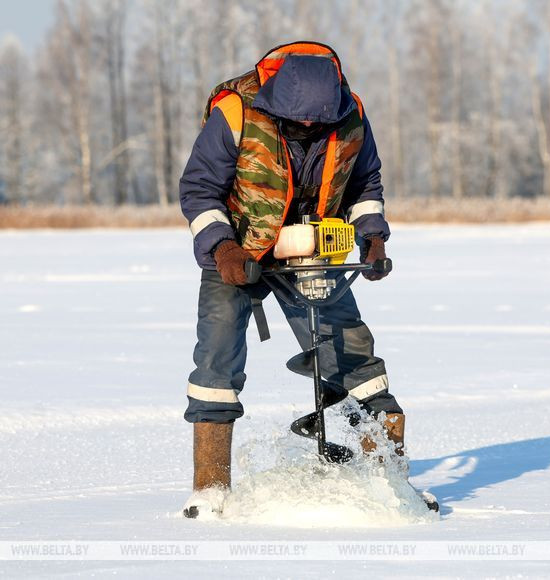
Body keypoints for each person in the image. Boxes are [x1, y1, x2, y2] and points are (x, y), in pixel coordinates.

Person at [178, 42, 428, 518]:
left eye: (320, 123)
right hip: (239, 252)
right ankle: (209, 488)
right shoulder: (234, 114)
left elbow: (364, 184)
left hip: (311, 250)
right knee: (216, 359)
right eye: (300, 123)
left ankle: (390, 481)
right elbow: (198, 189)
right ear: (276, 104)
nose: (311, 129)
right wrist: (222, 248)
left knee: (350, 349)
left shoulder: (351, 115)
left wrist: (372, 237)